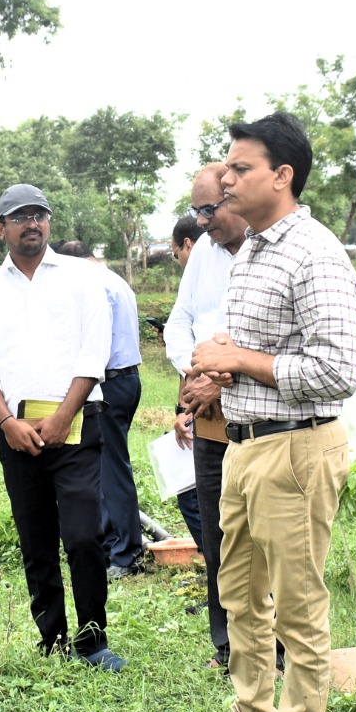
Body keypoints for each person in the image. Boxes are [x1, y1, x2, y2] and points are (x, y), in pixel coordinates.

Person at [175, 113, 356, 712]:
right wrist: (217, 375)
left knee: (297, 609)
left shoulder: (314, 252)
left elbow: (337, 370)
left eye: (241, 167)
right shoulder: (251, 249)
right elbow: (255, 350)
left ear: (282, 176)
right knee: (240, 593)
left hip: (296, 448)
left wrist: (239, 359)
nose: (226, 179)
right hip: (245, 443)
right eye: (227, 166)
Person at [0, 185, 125, 671]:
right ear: (1, 229)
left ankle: (93, 641)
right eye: (20, 217)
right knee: (36, 542)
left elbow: (93, 353)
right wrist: (7, 423)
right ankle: (51, 639)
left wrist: (63, 416)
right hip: (17, 434)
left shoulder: (81, 277)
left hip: (75, 428)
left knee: (83, 537)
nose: (32, 224)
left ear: (49, 223)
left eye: (39, 215)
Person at [165, 161, 275, 672]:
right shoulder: (203, 256)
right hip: (209, 414)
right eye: (196, 211)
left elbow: (269, 335)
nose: (202, 221)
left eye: (209, 209)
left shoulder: (269, 248)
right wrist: (194, 374)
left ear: (235, 196)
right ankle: (227, 644)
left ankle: (276, 647)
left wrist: (221, 375)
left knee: (265, 535)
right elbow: (180, 322)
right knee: (217, 535)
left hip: (260, 413)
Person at [52, 240, 144, 580]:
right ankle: (110, 544)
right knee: (104, 466)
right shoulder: (114, 279)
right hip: (126, 378)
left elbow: (95, 343)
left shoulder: (93, 284)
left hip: (110, 383)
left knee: (112, 469)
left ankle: (127, 553)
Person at [166, 212, 206, 546]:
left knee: (194, 498)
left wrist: (185, 410)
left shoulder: (214, 278)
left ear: (188, 245)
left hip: (215, 410)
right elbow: (186, 356)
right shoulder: (193, 285)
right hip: (196, 407)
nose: (177, 260)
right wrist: (182, 409)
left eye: (175, 252)